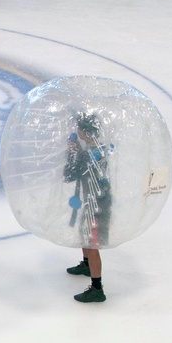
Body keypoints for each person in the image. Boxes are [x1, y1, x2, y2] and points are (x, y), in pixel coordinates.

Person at [63, 112, 113, 303]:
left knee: (92, 243)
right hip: (98, 200)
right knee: (86, 235)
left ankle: (97, 288)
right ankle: (86, 265)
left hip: (96, 204)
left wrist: (71, 154)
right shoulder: (100, 148)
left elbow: (70, 175)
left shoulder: (87, 153)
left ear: (84, 131)